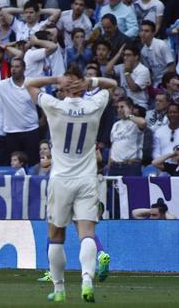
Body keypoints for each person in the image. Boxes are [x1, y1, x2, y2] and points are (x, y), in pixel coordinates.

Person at [25, 67, 117, 303]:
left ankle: (59, 289)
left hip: (61, 180)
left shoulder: (55, 106)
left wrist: (57, 80)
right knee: (87, 233)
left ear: (65, 86)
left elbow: (29, 84)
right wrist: (90, 81)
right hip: (87, 179)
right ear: (83, 85)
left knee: (56, 236)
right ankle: (87, 280)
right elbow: (112, 84)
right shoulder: (94, 104)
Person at [108, 97, 146, 176]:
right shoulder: (116, 125)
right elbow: (113, 147)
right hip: (115, 166)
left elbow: (143, 123)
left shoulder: (135, 122)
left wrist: (129, 116)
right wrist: (109, 167)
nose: (119, 110)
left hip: (131, 166)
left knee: (133, 188)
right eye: (118, 107)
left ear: (130, 108)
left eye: (122, 107)